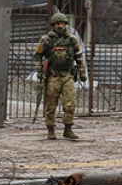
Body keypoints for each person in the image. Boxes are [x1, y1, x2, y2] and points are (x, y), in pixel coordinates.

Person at [34, 12, 86, 140]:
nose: (60, 26)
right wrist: (39, 71)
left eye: (62, 24)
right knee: (51, 104)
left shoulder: (72, 40)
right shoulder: (46, 40)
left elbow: (79, 56)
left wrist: (82, 72)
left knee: (70, 103)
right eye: (58, 24)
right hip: (53, 76)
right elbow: (37, 56)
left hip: (67, 75)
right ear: (53, 25)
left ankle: (68, 128)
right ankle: (50, 129)